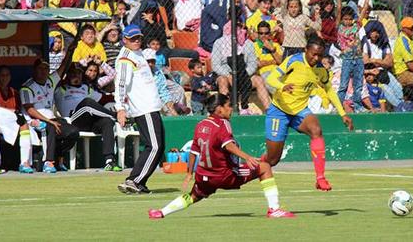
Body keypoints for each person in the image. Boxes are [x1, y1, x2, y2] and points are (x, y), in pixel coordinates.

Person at [148, 93, 295, 219]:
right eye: (229, 105)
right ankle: (274, 209)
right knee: (265, 167)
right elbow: (228, 145)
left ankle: (161, 212)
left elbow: (193, 152)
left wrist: (189, 173)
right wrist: (247, 157)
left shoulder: (200, 125)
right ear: (219, 109)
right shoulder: (223, 124)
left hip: (204, 176)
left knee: (193, 196)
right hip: (225, 176)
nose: (231, 109)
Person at [264, 36, 354, 191]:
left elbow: (329, 90)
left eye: (319, 55)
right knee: (272, 160)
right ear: (306, 50)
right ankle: (254, 165)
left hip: (299, 111)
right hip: (279, 110)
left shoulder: (321, 70)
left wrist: (342, 113)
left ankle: (320, 178)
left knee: (316, 130)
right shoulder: (294, 60)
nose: (316, 58)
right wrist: (282, 86)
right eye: (313, 54)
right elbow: (271, 78)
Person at [116, 25, 166, 194]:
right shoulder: (125, 59)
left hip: (151, 106)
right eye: (132, 38)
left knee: (158, 146)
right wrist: (120, 109)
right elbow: (120, 85)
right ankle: (134, 180)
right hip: (143, 108)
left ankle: (139, 182)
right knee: (154, 146)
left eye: (138, 38)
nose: (136, 41)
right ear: (125, 40)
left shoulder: (139, 54)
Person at [20, 48, 79, 173]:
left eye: (46, 69)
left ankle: (58, 156)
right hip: (35, 121)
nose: (43, 71)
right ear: (34, 70)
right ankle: (49, 162)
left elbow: (63, 67)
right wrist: (49, 121)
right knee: (49, 127)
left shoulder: (50, 81)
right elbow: (29, 109)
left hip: (52, 118)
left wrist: (70, 51)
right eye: (40, 68)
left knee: (73, 132)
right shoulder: (27, 87)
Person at [54, 64, 121, 171]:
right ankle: (115, 116)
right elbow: (55, 78)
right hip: (72, 121)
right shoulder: (61, 88)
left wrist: (122, 100)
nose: (77, 75)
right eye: (74, 73)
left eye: (79, 73)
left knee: (107, 121)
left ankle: (109, 160)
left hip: (88, 120)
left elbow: (105, 98)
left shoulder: (86, 88)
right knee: (87, 103)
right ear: (69, 74)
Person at [0, 66, 38, 173]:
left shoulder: (14, 92)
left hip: (12, 120)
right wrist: (13, 112)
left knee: (24, 125)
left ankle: (25, 163)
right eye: (2, 75)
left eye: (7, 75)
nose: (5, 78)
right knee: (14, 118)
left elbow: (19, 110)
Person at [336, 6, 364, 112]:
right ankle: (339, 106)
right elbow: (338, 13)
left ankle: (357, 105)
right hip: (347, 59)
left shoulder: (356, 26)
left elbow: (363, 12)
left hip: (358, 58)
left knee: (358, 85)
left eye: (349, 19)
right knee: (343, 84)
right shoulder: (340, 28)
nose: (348, 21)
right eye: (345, 19)